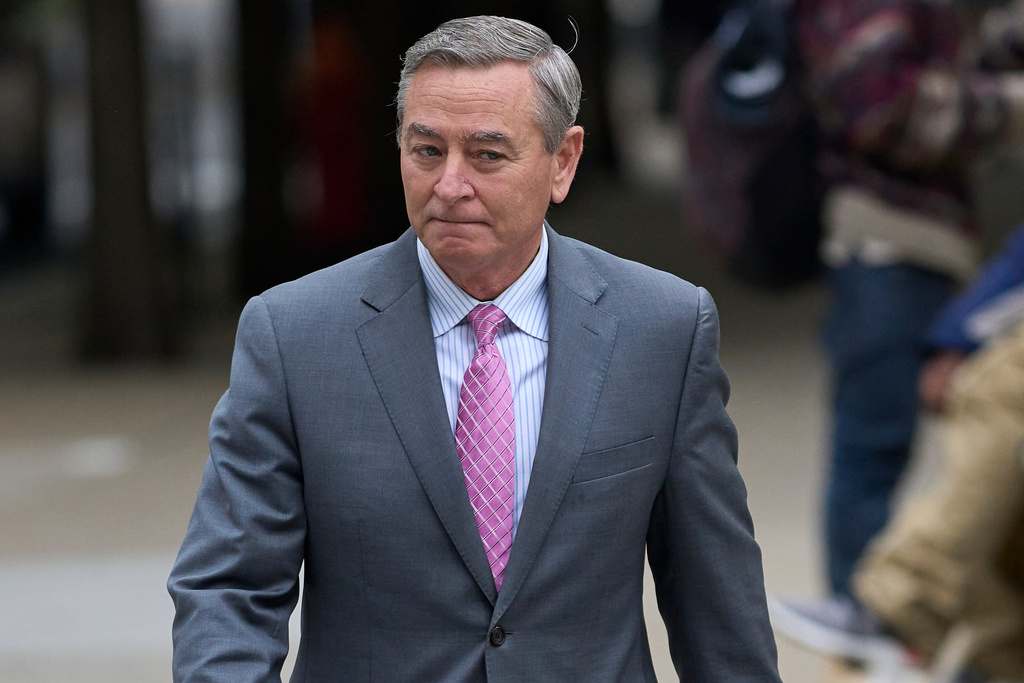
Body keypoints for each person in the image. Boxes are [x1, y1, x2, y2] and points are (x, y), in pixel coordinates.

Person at [167, 15, 782, 682]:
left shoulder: (661, 329)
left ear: (564, 161)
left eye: (487, 155)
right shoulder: (294, 336)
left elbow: (719, 608)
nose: (450, 185)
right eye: (427, 151)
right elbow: (228, 588)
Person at [771, 0, 1024, 644]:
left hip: (932, 244)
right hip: (883, 239)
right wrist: (1008, 104)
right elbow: (883, 108)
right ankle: (872, 630)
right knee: (877, 449)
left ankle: (916, 635)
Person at [774, 223, 1024, 681]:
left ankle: (904, 609)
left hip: (893, 240)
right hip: (892, 242)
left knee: (1002, 386)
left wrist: (961, 334)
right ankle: (989, 657)